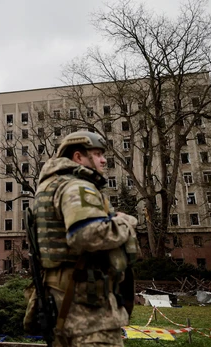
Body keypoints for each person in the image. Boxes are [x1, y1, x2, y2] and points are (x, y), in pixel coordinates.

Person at [26, 131, 139, 347]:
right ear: (78, 157)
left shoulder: (52, 186)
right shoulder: (76, 186)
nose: (104, 160)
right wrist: (125, 222)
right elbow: (86, 234)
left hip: (64, 302)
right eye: (97, 154)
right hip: (88, 311)